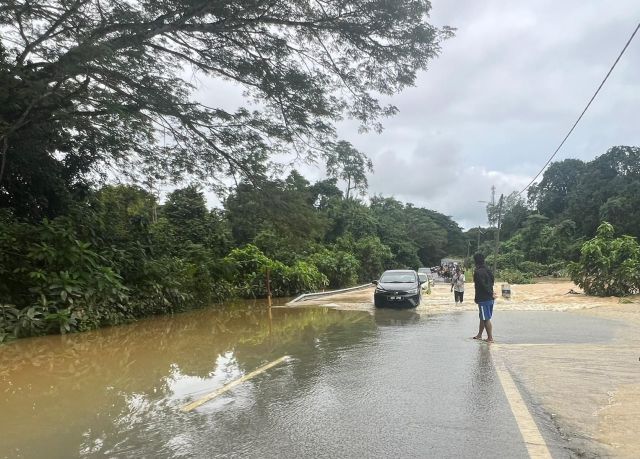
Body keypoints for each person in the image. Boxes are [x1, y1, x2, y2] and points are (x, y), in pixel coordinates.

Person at [471, 253, 496, 343]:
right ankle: (479, 335)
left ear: (475, 261)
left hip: (483, 298)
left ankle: (490, 338)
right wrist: (491, 292)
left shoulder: (477, 272)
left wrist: (477, 298)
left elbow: (480, 286)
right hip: (490, 297)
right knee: (483, 317)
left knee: (486, 319)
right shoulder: (488, 270)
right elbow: (492, 281)